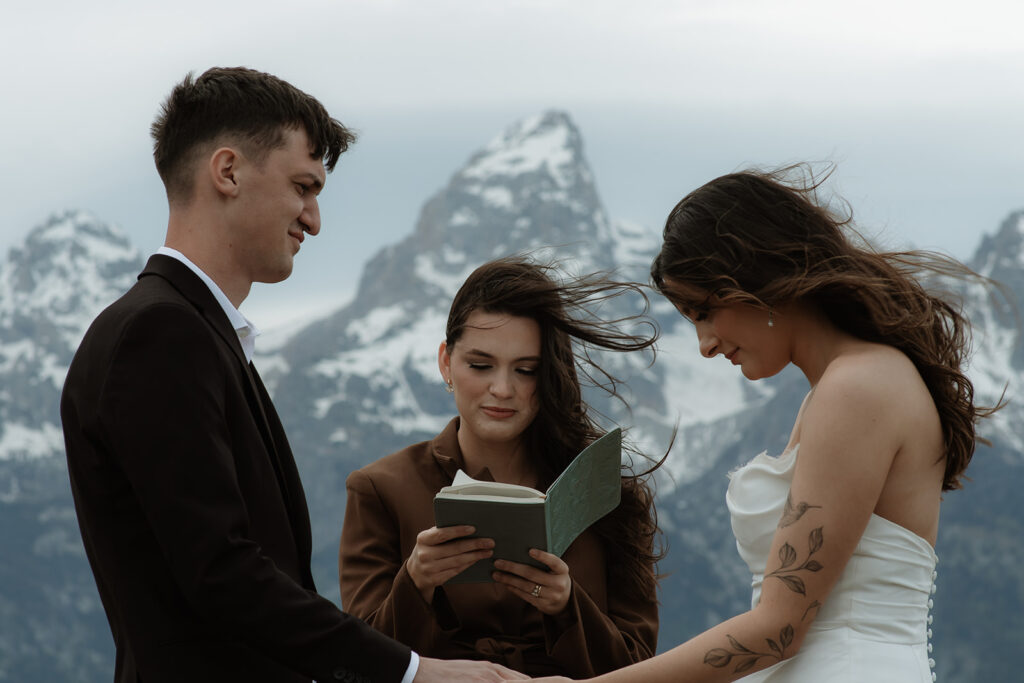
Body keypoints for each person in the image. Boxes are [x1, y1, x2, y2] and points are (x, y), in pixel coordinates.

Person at [60, 66, 526, 683]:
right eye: (303, 187)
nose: (314, 219)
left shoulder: (190, 331)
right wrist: (419, 673)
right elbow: (221, 575)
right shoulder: (161, 335)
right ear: (227, 172)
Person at [535, 165, 1000, 683]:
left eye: (706, 310)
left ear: (762, 277)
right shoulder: (847, 387)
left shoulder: (858, 388)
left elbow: (779, 629)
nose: (705, 344)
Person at [338, 256, 663, 678]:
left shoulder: (609, 496)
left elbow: (642, 668)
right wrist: (415, 581)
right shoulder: (379, 490)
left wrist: (568, 606)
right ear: (446, 363)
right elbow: (358, 662)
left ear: (549, 376)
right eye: (480, 365)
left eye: (526, 370)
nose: (502, 389)